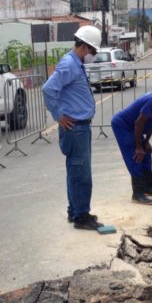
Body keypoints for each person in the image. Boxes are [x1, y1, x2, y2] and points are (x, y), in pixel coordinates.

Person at [42, 26, 104, 231]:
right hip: (75, 128)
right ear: (85, 47)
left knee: (75, 171)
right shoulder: (69, 64)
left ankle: (75, 210)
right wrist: (58, 115)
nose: (93, 55)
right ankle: (81, 216)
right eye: (93, 51)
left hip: (79, 128)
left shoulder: (75, 64)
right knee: (81, 174)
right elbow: (48, 89)